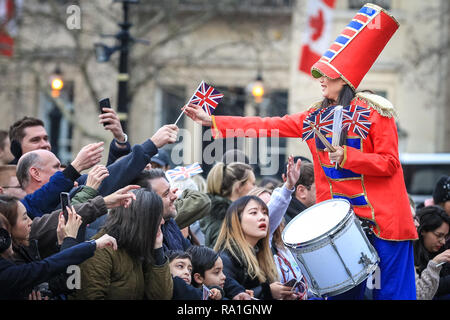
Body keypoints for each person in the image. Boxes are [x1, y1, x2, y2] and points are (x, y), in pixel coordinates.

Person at [184, 3, 417, 300]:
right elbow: (269, 124)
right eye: (321, 73)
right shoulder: (314, 118)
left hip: (385, 222)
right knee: (341, 295)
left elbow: (389, 164)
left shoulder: (376, 113)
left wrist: (347, 156)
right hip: (339, 226)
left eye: (328, 75)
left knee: (393, 294)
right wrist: (214, 120)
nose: (320, 79)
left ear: (345, 78)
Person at [70, 188, 173, 300]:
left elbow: (162, 296)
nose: (162, 222)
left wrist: (157, 250)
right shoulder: (100, 250)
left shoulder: (138, 245)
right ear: (141, 220)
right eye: (157, 217)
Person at [0, 211, 117, 300]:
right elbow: (69, 284)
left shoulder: (25, 249)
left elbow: (58, 279)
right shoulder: (7, 272)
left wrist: (62, 244)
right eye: (25, 218)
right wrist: (77, 241)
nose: (31, 222)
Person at [214, 195, 296, 300]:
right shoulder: (226, 258)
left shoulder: (262, 253)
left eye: (265, 213)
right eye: (253, 212)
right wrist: (267, 291)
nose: (262, 217)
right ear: (237, 220)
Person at [131, 169, 210, 252]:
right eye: (166, 193)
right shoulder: (142, 237)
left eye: (170, 190)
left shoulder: (170, 222)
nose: (174, 196)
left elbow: (189, 255)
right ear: (147, 200)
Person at [201, 161, 256, 248]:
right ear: (239, 186)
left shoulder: (228, 216)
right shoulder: (225, 223)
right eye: (253, 184)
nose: (255, 188)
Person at [414, 206, 450, 300]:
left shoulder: (444, 250)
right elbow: (418, 293)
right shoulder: (409, 254)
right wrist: (435, 264)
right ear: (423, 230)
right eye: (439, 235)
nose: (443, 242)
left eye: (445, 236)